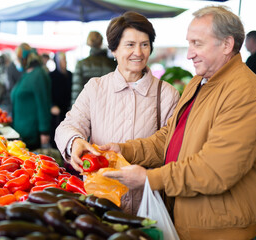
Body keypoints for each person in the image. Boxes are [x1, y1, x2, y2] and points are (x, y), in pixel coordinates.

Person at [93, 6, 256, 240]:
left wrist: (150, 179)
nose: (189, 54)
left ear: (227, 45)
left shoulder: (246, 93)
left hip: (219, 230)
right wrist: (124, 149)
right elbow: (170, 137)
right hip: (186, 221)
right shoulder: (199, 82)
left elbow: (216, 169)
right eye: (189, 44)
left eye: (197, 44)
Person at [55, 11, 180, 215]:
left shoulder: (166, 93)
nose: (138, 52)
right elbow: (68, 125)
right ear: (113, 49)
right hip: (100, 199)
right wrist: (74, 141)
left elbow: (171, 146)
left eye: (145, 44)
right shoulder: (95, 88)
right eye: (130, 45)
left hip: (147, 202)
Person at [11, 43, 51, 150]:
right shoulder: (26, 74)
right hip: (20, 132)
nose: (17, 61)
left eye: (18, 58)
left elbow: (43, 103)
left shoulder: (38, 74)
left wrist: (44, 131)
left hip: (32, 134)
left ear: (24, 58)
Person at [71, 31, 117, 105]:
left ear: (88, 43)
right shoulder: (112, 63)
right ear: (101, 42)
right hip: (109, 105)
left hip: (88, 106)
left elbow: (77, 92)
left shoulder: (81, 64)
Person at [49, 52, 72, 149]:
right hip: (56, 111)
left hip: (68, 110)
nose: (65, 62)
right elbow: (48, 94)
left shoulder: (70, 74)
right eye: (63, 60)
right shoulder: (51, 76)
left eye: (66, 60)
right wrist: (51, 106)